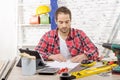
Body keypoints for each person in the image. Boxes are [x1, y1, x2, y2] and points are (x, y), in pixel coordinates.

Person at [35, 6, 99, 63]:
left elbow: (95, 51)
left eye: (67, 22)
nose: (64, 25)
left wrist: (86, 56)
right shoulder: (48, 36)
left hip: (76, 71)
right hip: (55, 71)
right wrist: (51, 56)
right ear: (56, 21)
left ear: (70, 20)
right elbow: (36, 53)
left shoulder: (79, 34)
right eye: (61, 22)